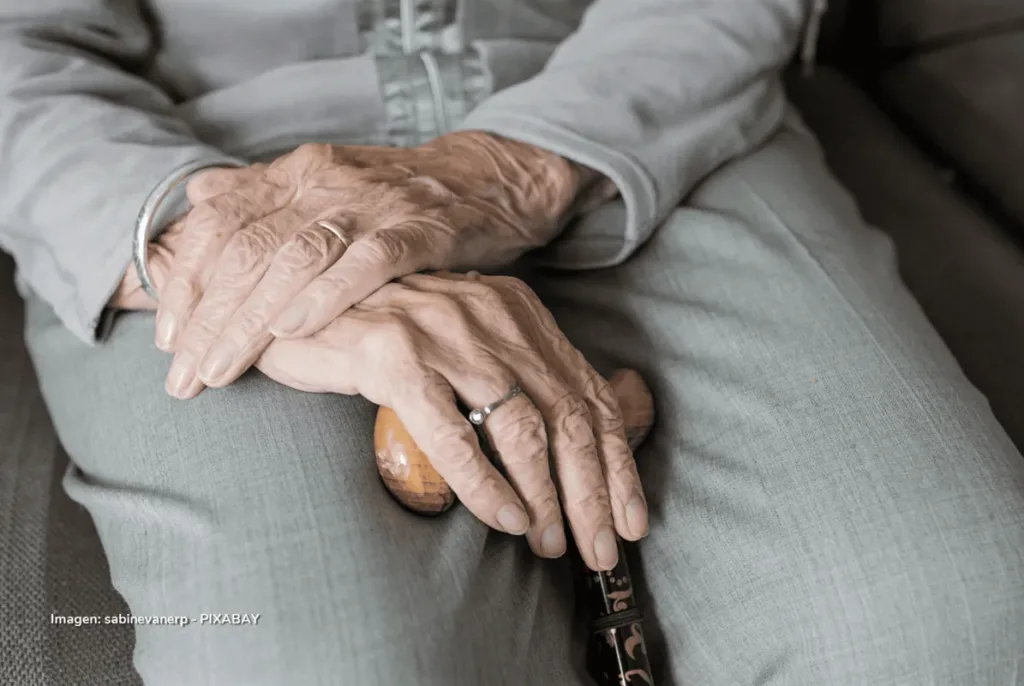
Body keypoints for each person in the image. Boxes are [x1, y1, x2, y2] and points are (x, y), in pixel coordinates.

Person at [2, 1, 1022, 684]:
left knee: (949, 620)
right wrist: (228, 246)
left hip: (646, 110)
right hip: (189, 166)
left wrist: (510, 168)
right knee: (321, 663)